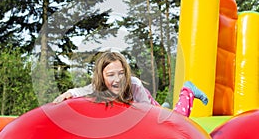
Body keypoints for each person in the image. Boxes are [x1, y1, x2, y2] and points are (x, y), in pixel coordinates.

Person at [53, 51, 208, 117]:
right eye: (111, 75)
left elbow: (148, 112)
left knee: (177, 119)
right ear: (102, 77)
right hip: (139, 105)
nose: (117, 79)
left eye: (121, 74)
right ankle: (165, 107)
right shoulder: (98, 87)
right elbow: (81, 92)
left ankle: (188, 90)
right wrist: (68, 94)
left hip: (146, 104)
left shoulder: (134, 84)